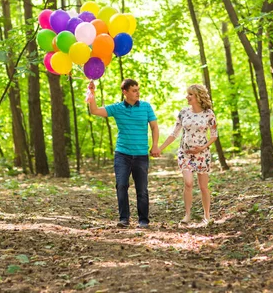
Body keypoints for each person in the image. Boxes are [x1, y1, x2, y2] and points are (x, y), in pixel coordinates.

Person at [88, 79, 160, 229]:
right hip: (122, 154)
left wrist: (154, 146)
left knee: (142, 188)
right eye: (134, 90)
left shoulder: (146, 107)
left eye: (138, 90)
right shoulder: (117, 108)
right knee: (121, 185)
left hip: (141, 154)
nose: (137, 93)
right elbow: (95, 111)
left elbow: (154, 127)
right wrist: (92, 94)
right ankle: (124, 219)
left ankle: (143, 220)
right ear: (125, 92)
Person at [158, 84, 218, 226]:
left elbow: (214, 135)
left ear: (198, 96)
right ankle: (187, 215)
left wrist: (202, 147)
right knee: (188, 182)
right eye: (187, 94)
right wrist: (160, 148)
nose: (187, 97)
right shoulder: (184, 112)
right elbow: (174, 133)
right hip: (184, 154)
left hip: (202, 155)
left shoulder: (209, 114)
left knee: (203, 187)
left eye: (190, 94)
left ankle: (207, 216)